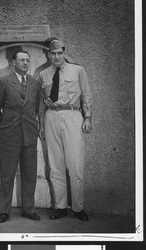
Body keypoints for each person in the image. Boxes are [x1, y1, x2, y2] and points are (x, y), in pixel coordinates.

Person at [39, 37, 93, 221]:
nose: (56, 56)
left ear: (64, 52)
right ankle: (60, 206)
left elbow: (86, 94)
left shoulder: (78, 70)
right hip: (51, 117)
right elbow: (41, 102)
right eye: (53, 53)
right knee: (56, 165)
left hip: (72, 115)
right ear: (48, 54)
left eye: (60, 53)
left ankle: (78, 208)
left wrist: (87, 117)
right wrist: (40, 124)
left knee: (76, 165)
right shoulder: (44, 74)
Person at [0, 49, 41, 223]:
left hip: (29, 136)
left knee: (30, 174)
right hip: (9, 135)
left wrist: (34, 127)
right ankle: (4, 211)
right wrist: (5, 124)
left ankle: (28, 209)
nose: (25, 63)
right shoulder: (3, 82)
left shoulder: (35, 82)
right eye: (21, 60)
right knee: (7, 175)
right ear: (13, 63)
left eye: (27, 60)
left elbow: (36, 108)